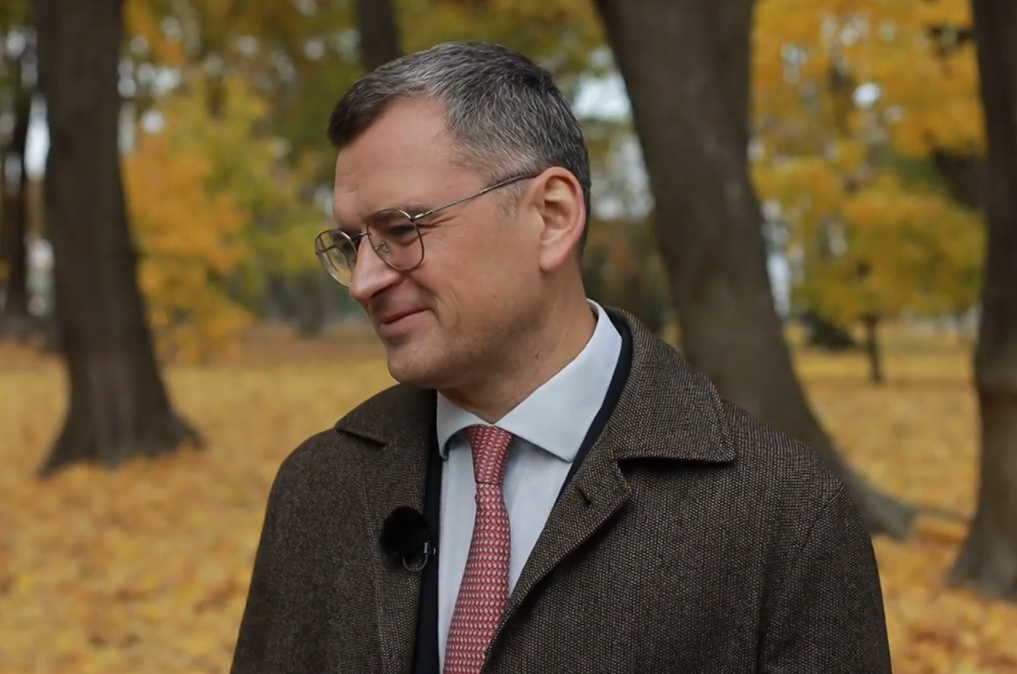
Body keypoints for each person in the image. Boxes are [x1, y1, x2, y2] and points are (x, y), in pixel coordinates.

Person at [229, 40, 892, 674]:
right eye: (351, 244)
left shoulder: (782, 514)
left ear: (550, 216)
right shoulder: (319, 489)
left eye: (401, 230)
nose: (365, 282)